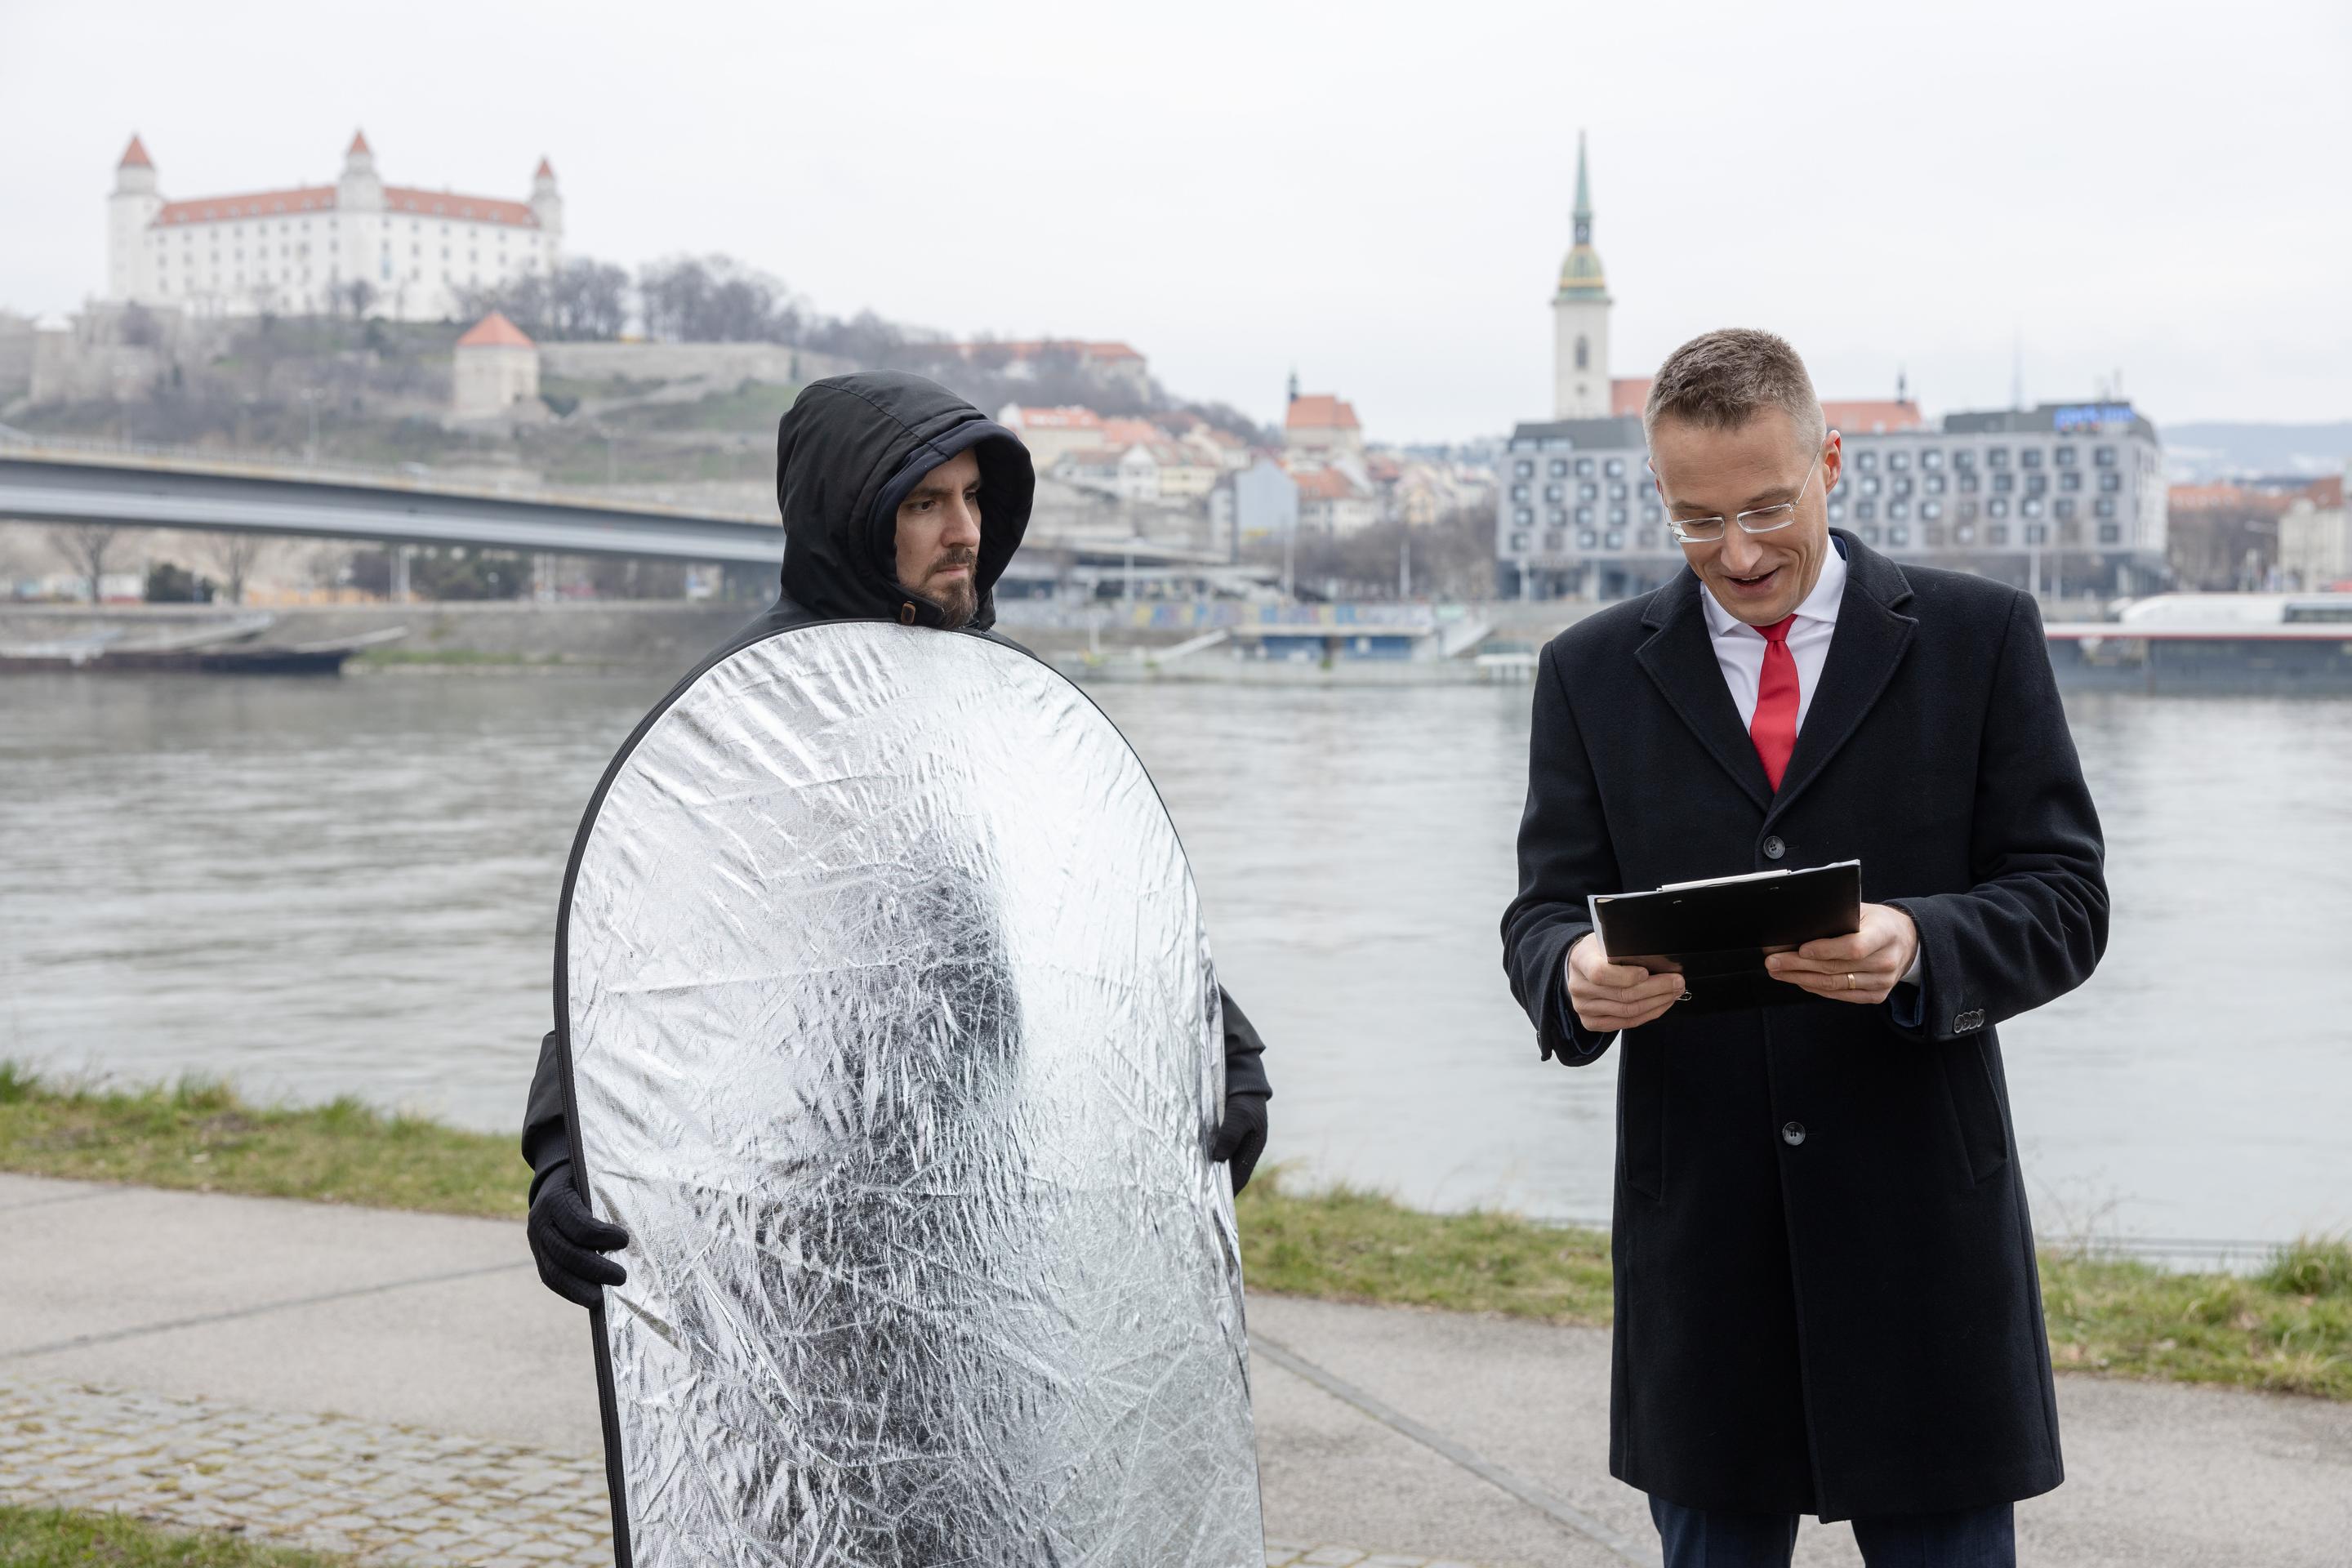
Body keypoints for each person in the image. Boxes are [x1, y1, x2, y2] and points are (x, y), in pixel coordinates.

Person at [1500, 329, 2106, 1568]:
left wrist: (1920, 941)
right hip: (1704, 1251)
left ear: (1833, 461)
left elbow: (2066, 898)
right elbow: (1542, 912)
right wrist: (1568, 973)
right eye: (1696, 521)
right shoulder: (1588, 672)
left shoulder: (1981, 637)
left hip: (1919, 1241)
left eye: (1770, 508)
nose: (1738, 554)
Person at [525, 370, 1272, 1307]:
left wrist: (1227, 1051)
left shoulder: (1009, 709)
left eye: (971, 497)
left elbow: (1093, 912)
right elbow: (643, 963)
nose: (966, 531)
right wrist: (560, 1157)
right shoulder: (748, 726)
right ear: (853, 515)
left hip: (1010, 1213)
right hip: (804, 1236)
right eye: (925, 503)